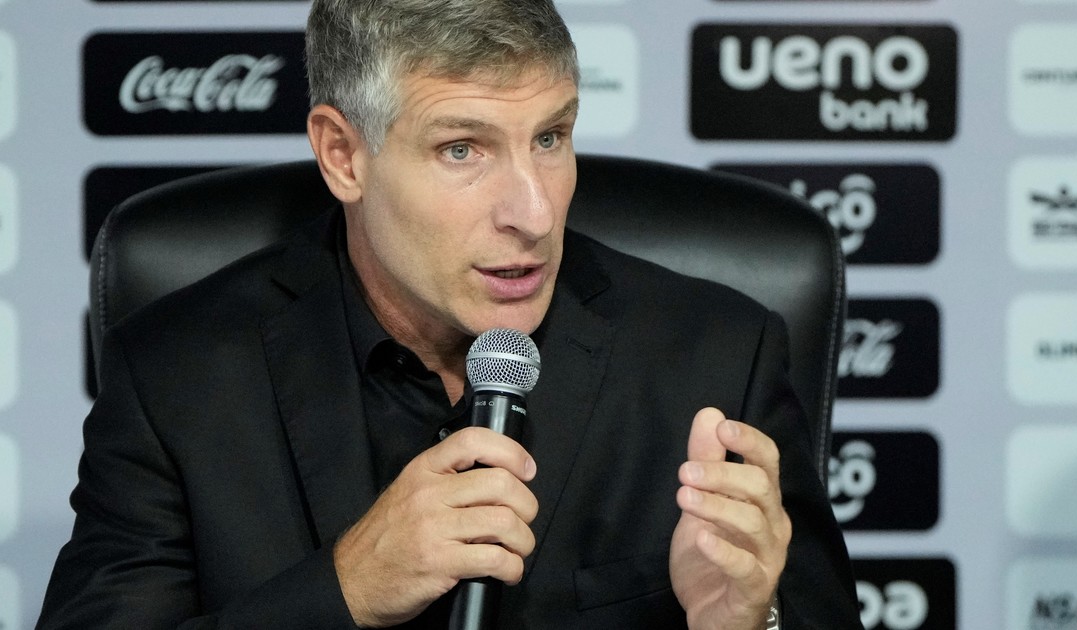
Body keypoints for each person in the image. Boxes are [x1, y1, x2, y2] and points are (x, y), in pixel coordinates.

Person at [38, 0, 862, 628]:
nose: (534, 214)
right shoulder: (177, 375)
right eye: (462, 149)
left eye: (550, 137)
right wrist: (345, 588)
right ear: (342, 154)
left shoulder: (718, 358)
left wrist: (746, 623)